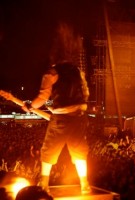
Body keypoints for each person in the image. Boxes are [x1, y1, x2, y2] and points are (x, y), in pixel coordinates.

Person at [21, 23, 91, 194]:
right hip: (79, 118)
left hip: (61, 119)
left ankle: (44, 184)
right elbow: (86, 94)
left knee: (49, 150)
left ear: (54, 55)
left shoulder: (51, 73)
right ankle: (85, 184)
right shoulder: (77, 72)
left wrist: (30, 106)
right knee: (79, 151)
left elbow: (42, 97)